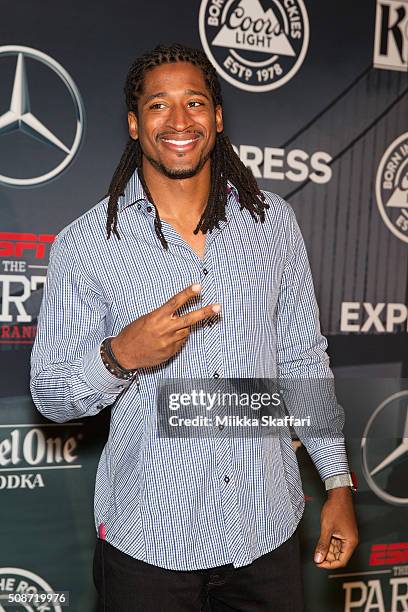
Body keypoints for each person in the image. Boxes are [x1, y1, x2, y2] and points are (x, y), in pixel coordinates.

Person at [30, 43, 359, 612]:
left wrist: (337, 481)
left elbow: (303, 358)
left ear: (218, 117)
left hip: (266, 530)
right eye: (159, 105)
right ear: (135, 124)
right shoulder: (85, 245)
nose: (179, 121)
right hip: (149, 547)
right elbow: (51, 394)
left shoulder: (271, 223)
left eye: (195, 103)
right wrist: (118, 356)